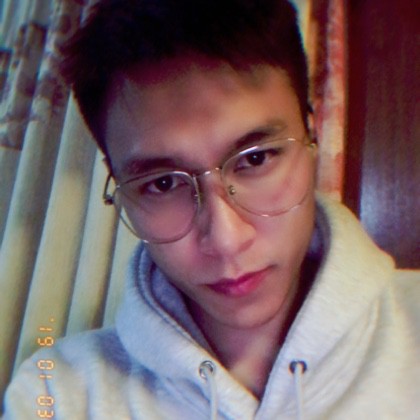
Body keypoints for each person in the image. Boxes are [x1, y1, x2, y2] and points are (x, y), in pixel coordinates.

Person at [3, 0, 419, 418]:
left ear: (312, 136)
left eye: (255, 159)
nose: (225, 240)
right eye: (163, 184)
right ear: (120, 190)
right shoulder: (57, 393)